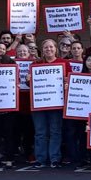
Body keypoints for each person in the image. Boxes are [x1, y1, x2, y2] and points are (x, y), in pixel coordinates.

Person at [31, 39, 65, 168]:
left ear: (56, 49)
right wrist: (29, 80)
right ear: (42, 50)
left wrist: (67, 81)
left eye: (51, 47)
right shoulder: (35, 64)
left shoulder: (64, 63)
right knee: (40, 132)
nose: (48, 49)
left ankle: (54, 158)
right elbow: (32, 85)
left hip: (56, 104)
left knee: (55, 131)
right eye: (45, 47)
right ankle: (40, 159)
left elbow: (70, 82)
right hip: (39, 104)